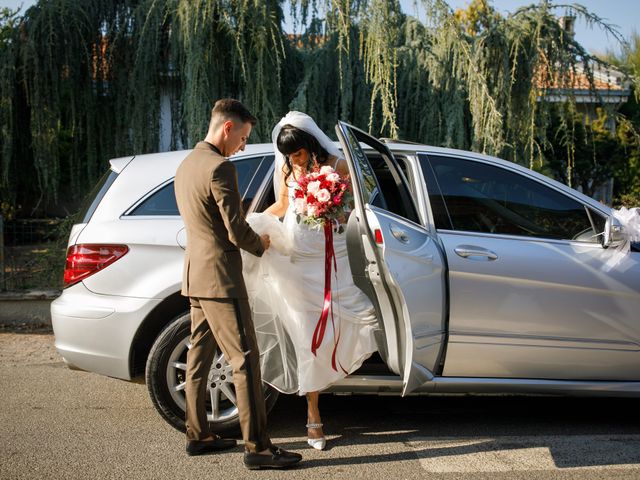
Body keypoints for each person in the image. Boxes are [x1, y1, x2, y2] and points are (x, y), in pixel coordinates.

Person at [174, 99, 302, 470]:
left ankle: (197, 435)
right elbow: (234, 229)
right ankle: (258, 448)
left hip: (196, 275)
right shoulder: (219, 168)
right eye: (244, 137)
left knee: (198, 357)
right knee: (245, 360)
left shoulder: (187, 164)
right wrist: (259, 244)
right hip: (221, 280)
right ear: (227, 128)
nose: (244, 145)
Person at [242, 111, 378, 451]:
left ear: (311, 145)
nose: (292, 160)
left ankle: (338, 370)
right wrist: (250, 222)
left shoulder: (338, 165)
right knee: (307, 338)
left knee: (362, 318)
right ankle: (313, 415)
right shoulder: (288, 169)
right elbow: (284, 205)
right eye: (288, 155)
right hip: (299, 259)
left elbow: (355, 209)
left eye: (297, 153)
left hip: (333, 259)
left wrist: (332, 207)